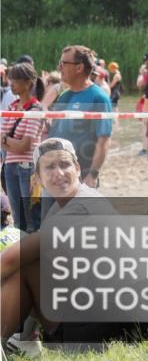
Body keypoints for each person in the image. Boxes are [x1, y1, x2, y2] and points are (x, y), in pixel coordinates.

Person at [0, 138, 116, 347]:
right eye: (49, 167)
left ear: (78, 168)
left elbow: (8, 260)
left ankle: (22, 340)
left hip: (105, 324)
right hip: (96, 309)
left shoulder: (83, 204)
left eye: (65, 164)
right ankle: (25, 340)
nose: (59, 173)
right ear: (37, 179)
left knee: (23, 266)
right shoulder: (65, 205)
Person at [48, 46, 112, 186]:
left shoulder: (99, 97)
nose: (60, 68)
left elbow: (104, 140)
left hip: (80, 175)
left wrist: (93, 175)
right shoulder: (64, 96)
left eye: (63, 63)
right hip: (55, 173)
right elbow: (54, 133)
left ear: (79, 68)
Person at [0, 64, 44, 232]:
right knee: (18, 218)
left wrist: (6, 139)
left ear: (27, 83)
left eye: (15, 81)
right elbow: (4, 139)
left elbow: (25, 146)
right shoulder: (11, 107)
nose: (11, 84)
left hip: (28, 167)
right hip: (10, 166)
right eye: (10, 80)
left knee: (32, 216)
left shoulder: (36, 109)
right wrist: (9, 140)